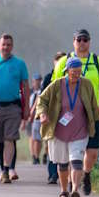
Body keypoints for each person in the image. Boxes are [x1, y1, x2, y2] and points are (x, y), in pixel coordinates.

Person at [52, 29, 99, 195]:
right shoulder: (64, 61)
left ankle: (86, 173)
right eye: (79, 39)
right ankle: (73, 181)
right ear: (74, 41)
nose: (82, 43)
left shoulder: (98, 62)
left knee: (92, 152)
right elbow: (56, 86)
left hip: (91, 113)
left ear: (89, 42)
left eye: (85, 40)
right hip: (69, 114)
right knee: (71, 150)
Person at [36, 57, 99, 197]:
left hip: (79, 131)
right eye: (73, 72)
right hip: (58, 132)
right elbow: (42, 100)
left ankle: (75, 190)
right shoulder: (56, 85)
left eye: (79, 72)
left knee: (77, 161)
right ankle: (64, 191)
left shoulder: (86, 84)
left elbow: (93, 105)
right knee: (63, 164)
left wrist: (96, 122)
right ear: (67, 71)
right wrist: (43, 114)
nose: (76, 75)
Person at [0, 34, 30, 184]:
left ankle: (6, 170)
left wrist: (26, 107)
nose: (6, 47)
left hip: (13, 107)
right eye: (3, 44)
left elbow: (26, 87)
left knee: (9, 139)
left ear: (12, 46)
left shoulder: (20, 64)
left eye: (8, 45)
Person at [41, 52, 67, 184]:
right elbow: (43, 97)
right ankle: (52, 174)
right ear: (54, 61)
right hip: (52, 116)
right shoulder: (48, 78)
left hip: (67, 117)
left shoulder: (71, 77)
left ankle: (64, 174)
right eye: (58, 60)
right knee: (51, 146)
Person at [28, 74, 43, 164]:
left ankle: (37, 156)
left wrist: (32, 112)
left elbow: (37, 102)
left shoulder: (42, 91)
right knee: (32, 138)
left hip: (37, 116)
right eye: (35, 81)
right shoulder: (30, 92)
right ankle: (33, 155)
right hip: (29, 117)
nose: (36, 83)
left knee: (37, 138)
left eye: (38, 81)